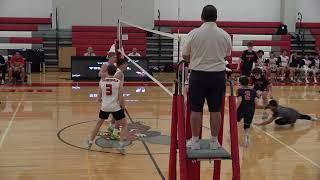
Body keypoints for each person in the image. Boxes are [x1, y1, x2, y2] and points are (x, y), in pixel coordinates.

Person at [182, 5, 232, 150]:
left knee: (196, 109)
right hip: (217, 76)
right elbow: (227, 54)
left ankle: (195, 141)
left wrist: (196, 58)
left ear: (202, 17)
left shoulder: (194, 33)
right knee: (215, 110)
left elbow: (185, 55)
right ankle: (214, 141)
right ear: (216, 17)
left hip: (198, 75)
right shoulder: (224, 34)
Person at [86, 63, 128, 154]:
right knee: (124, 125)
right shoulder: (118, 82)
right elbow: (121, 96)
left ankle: (89, 142)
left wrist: (105, 102)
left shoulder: (102, 81)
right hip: (115, 107)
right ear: (115, 72)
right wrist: (123, 106)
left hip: (104, 107)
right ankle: (121, 146)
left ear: (107, 71)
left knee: (98, 124)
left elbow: (98, 98)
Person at [237, 76, 263, 147]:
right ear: (248, 82)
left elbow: (239, 100)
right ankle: (247, 136)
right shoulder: (254, 91)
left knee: (235, 121)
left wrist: (235, 109)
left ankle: (232, 134)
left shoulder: (239, 90)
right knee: (247, 125)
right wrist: (258, 97)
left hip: (241, 109)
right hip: (250, 110)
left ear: (240, 83)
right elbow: (257, 103)